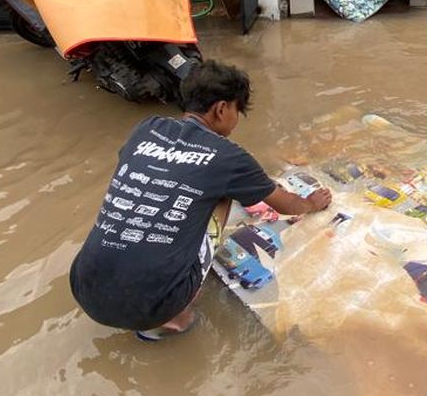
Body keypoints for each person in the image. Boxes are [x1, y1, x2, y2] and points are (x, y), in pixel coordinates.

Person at [69, 61, 331, 340]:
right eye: (237, 110)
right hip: (154, 305)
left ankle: (151, 306)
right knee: (224, 193)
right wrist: (313, 202)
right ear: (221, 108)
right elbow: (288, 206)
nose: (236, 120)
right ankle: (173, 321)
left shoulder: (147, 128)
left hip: (84, 286)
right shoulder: (228, 157)